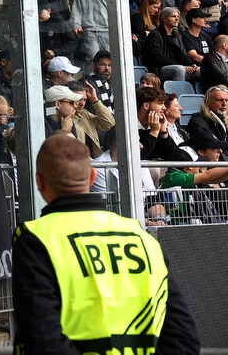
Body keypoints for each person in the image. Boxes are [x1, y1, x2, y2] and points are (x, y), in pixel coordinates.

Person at [12, 133, 200, 354]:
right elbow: (184, 340)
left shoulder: (35, 237)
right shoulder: (141, 237)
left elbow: (43, 340)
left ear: (39, 182)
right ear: (92, 177)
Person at [70, 0, 109, 69]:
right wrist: (76, 25)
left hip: (107, 30)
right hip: (90, 30)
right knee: (92, 56)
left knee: (108, 60)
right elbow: (77, 10)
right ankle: (90, 82)